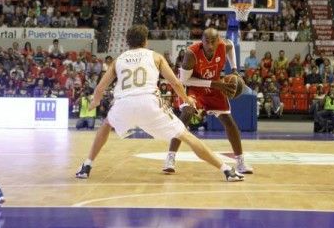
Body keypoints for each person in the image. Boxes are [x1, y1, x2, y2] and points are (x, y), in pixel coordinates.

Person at [74, 25, 244, 182]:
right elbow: (177, 83)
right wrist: (187, 99)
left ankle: (86, 165)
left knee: (106, 125)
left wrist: (94, 103)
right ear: (146, 41)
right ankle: (227, 170)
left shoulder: (118, 60)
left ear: (127, 42)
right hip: (149, 103)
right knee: (187, 136)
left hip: (123, 103)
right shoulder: (155, 56)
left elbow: (100, 88)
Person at [164, 28, 254, 174]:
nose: (211, 45)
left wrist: (235, 69)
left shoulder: (223, 46)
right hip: (192, 87)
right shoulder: (191, 54)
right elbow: (184, 80)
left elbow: (230, 45)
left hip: (214, 86)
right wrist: (215, 84)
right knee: (186, 114)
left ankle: (240, 162)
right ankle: (170, 157)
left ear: (218, 40)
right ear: (202, 40)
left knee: (229, 122)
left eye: (214, 41)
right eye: (207, 42)